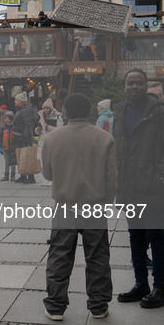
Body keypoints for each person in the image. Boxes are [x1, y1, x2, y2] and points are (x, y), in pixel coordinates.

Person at [41, 92, 116, 321]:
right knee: (97, 256)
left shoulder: (53, 138)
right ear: (89, 111)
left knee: (60, 256)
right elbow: (111, 177)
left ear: (66, 112)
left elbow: (47, 173)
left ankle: (55, 306)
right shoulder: (105, 139)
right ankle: (98, 305)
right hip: (94, 206)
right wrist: (106, 202)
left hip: (65, 206)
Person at [114, 69, 164, 309]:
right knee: (135, 237)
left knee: (157, 237)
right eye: (130, 83)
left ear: (145, 86)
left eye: (138, 83)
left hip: (152, 186)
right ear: (124, 86)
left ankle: (161, 287)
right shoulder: (120, 111)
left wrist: (158, 174)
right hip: (128, 185)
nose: (134, 86)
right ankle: (140, 283)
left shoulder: (158, 112)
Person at [35, 99, 64, 187]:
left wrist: (49, 127)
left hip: (53, 142)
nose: (45, 110)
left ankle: (53, 179)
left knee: (52, 161)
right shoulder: (41, 117)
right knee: (43, 162)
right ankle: (46, 178)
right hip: (42, 141)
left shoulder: (57, 116)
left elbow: (60, 130)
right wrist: (37, 130)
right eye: (44, 108)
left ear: (51, 108)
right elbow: (37, 132)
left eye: (47, 108)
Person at [13, 92, 36, 184]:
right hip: (19, 136)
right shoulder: (20, 109)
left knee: (28, 156)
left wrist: (26, 136)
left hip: (24, 136)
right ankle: (23, 175)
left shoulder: (25, 110)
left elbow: (27, 124)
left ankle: (31, 176)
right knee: (22, 156)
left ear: (19, 101)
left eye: (15, 100)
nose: (14, 101)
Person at [0, 111, 16, 181]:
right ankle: (6, 174)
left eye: (9, 118)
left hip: (13, 147)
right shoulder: (3, 128)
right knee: (7, 161)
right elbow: (0, 137)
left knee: (13, 162)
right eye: (6, 118)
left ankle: (13, 175)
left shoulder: (14, 127)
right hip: (5, 147)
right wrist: (0, 146)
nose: (7, 120)